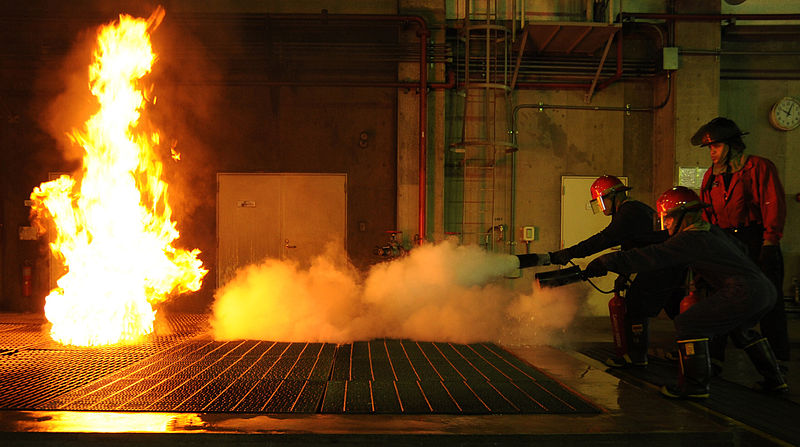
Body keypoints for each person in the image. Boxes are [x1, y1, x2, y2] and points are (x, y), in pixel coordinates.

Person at [583, 186, 788, 399]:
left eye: (669, 218)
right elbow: (740, 251)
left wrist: (608, 261)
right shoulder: (710, 230)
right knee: (742, 331)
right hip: (763, 289)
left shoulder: (690, 238)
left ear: (684, 216)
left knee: (689, 323)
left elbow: (653, 255)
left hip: (742, 291)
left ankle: (695, 386)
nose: (667, 224)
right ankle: (775, 382)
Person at [517, 175, 682, 368]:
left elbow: (603, 240)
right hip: (668, 263)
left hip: (661, 265)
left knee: (636, 307)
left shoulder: (629, 213)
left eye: (602, 201)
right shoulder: (632, 210)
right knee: (677, 309)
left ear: (613, 196)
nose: (602, 207)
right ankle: (693, 354)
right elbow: (633, 247)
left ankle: (637, 357)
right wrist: (624, 274)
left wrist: (565, 254)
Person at [692, 117, 789, 368]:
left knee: (769, 297)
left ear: (732, 145)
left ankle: (776, 357)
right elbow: (707, 213)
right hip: (725, 239)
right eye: (710, 148)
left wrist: (770, 240)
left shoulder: (758, 168)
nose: (711, 152)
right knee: (718, 293)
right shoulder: (711, 177)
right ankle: (715, 355)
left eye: (716, 146)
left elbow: (772, 203)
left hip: (754, 236)